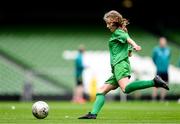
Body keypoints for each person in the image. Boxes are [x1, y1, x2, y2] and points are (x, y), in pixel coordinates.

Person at [78, 10, 169, 119]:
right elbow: (128, 47)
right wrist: (130, 50)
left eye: (108, 23)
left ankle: (153, 82)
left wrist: (135, 45)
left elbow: (128, 40)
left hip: (120, 65)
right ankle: (93, 114)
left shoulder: (118, 32)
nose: (107, 26)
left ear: (114, 22)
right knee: (101, 90)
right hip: (118, 66)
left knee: (125, 89)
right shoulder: (122, 32)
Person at [152, 37, 171, 101]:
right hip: (159, 70)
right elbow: (153, 59)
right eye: (162, 41)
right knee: (156, 85)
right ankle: (154, 99)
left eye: (164, 41)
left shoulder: (168, 49)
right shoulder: (156, 49)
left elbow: (168, 58)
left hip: (165, 70)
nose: (163, 43)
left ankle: (162, 99)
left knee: (165, 84)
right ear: (160, 42)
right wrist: (157, 65)